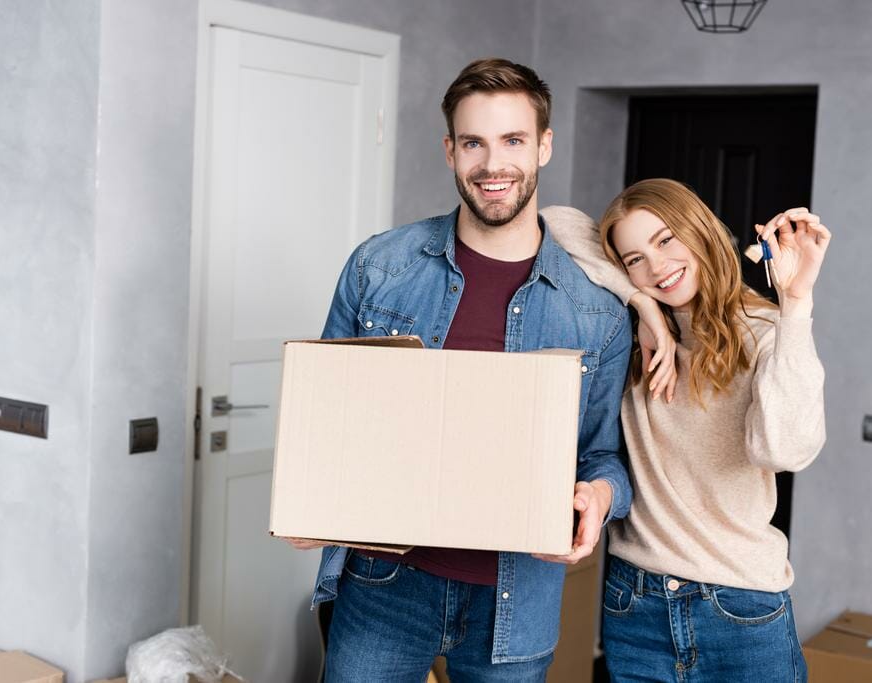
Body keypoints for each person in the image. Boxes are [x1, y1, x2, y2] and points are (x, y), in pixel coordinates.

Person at [285, 58, 635, 682]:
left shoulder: (597, 310)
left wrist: (598, 497)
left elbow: (605, 455)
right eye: (474, 141)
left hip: (514, 596)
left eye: (513, 141)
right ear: (450, 150)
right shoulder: (379, 267)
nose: (492, 164)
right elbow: (324, 414)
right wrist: (311, 497)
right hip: (385, 586)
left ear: (544, 147)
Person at [543, 179, 831, 682]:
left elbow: (782, 450)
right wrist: (643, 306)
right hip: (636, 604)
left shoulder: (767, 336)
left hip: (740, 608)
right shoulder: (632, 336)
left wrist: (797, 303)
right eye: (633, 259)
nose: (656, 267)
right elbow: (555, 219)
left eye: (665, 240)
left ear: (700, 232)